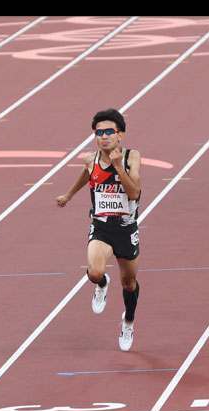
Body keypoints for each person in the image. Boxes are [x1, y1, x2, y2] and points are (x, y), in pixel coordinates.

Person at [56, 108, 142, 351]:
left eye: (109, 132)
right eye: (99, 132)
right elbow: (87, 174)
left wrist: (118, 167)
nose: (104, 136)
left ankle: (128, 322)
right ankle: (102, 283)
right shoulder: (90, 158)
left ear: (120, 135)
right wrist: (69, 195)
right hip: (101, 227)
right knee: (94, 272)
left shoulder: (131, 157)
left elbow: (134, 192)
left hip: (126, 229)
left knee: (129, 284)